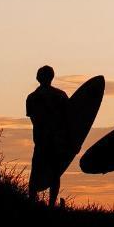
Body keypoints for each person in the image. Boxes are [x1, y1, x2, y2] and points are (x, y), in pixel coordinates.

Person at [26, 65, 71, 207]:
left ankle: (32, 202)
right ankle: (51, 204)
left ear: (38, 78)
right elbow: (69, 119)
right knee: (55, 173)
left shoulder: (32, 97)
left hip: (42, 141)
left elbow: (34, 119)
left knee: (37, 173)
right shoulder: (61, 95)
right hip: (54, 141)